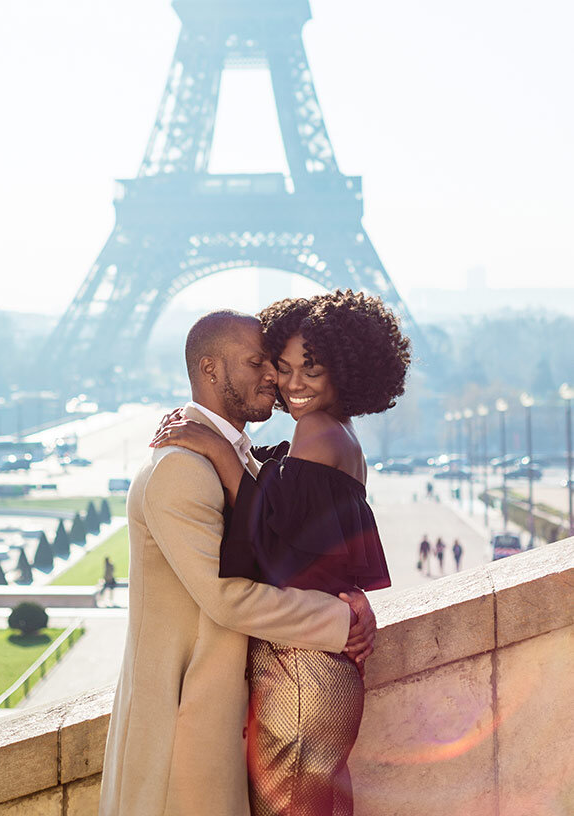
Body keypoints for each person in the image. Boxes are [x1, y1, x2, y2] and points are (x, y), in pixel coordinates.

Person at [98, 310, 376, 816]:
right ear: (210, 370)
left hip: (263, 696)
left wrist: (349, 604)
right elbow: (228, 597)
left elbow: (291, 545)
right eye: (259, 362)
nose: (274, 376)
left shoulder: (242, 457)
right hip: (186, 720)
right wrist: (343, 618)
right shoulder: (182, 468)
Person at [152, 290, 410, 815]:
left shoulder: (316, 433)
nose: (291, 384)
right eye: (282, 367)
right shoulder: (336, 434)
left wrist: (219, 450)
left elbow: (271, 550)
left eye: (310, 371)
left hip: (301, 671)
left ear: (345, 370)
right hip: (318, 669)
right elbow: (289, 514)